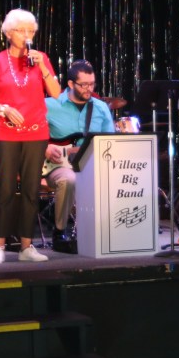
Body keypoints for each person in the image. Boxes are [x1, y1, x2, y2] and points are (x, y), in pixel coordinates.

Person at [0, 9, 62, 265]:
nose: (27, 35)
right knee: (4, 189)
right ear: (8, 33)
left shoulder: (41, 58)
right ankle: (0, 246)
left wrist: (43, 67)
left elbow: (56, 93)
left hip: (36, 132)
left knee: (30, 190)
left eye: (31, 31)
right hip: (5, 133)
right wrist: (4, 109)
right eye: (21, 30)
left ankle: (26, 246)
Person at [44, 60, 115, 246]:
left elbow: (110, 142)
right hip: (57, 165)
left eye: (92, 84)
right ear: (70, 84)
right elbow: (30, 133)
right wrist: (44, 147)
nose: (89, 89)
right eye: (83, 85)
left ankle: (111, 229)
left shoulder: (101, 108)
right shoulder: (49, 105)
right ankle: (60, 232)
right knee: (69, 179)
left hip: (91, 164)